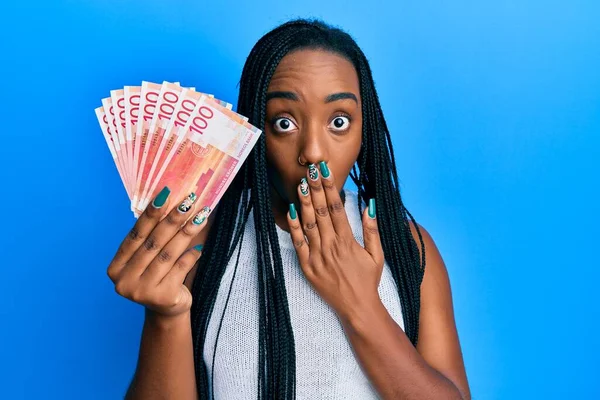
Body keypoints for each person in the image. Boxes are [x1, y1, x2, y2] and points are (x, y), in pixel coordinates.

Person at [107, 18, 471, 400]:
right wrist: (165, 317)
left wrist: (361, 305)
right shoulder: (201, 244)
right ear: (254, 131)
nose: (312, 150)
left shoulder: (407, 246)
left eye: (339, 121)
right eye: (284, 122)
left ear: (365, 132)